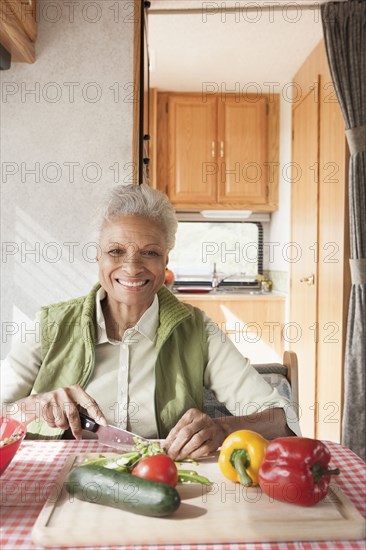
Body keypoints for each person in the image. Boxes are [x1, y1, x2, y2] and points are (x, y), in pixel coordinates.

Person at [1, 184, 299, 460]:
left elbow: (282, 419)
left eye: (150, 253)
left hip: (160, 481)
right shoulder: (49, 325)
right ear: (97, 257)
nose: (131, 267)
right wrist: (31, 405)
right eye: (116, 251)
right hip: (55, 483)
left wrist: (221, 429)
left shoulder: (197, 330)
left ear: (166, 261)